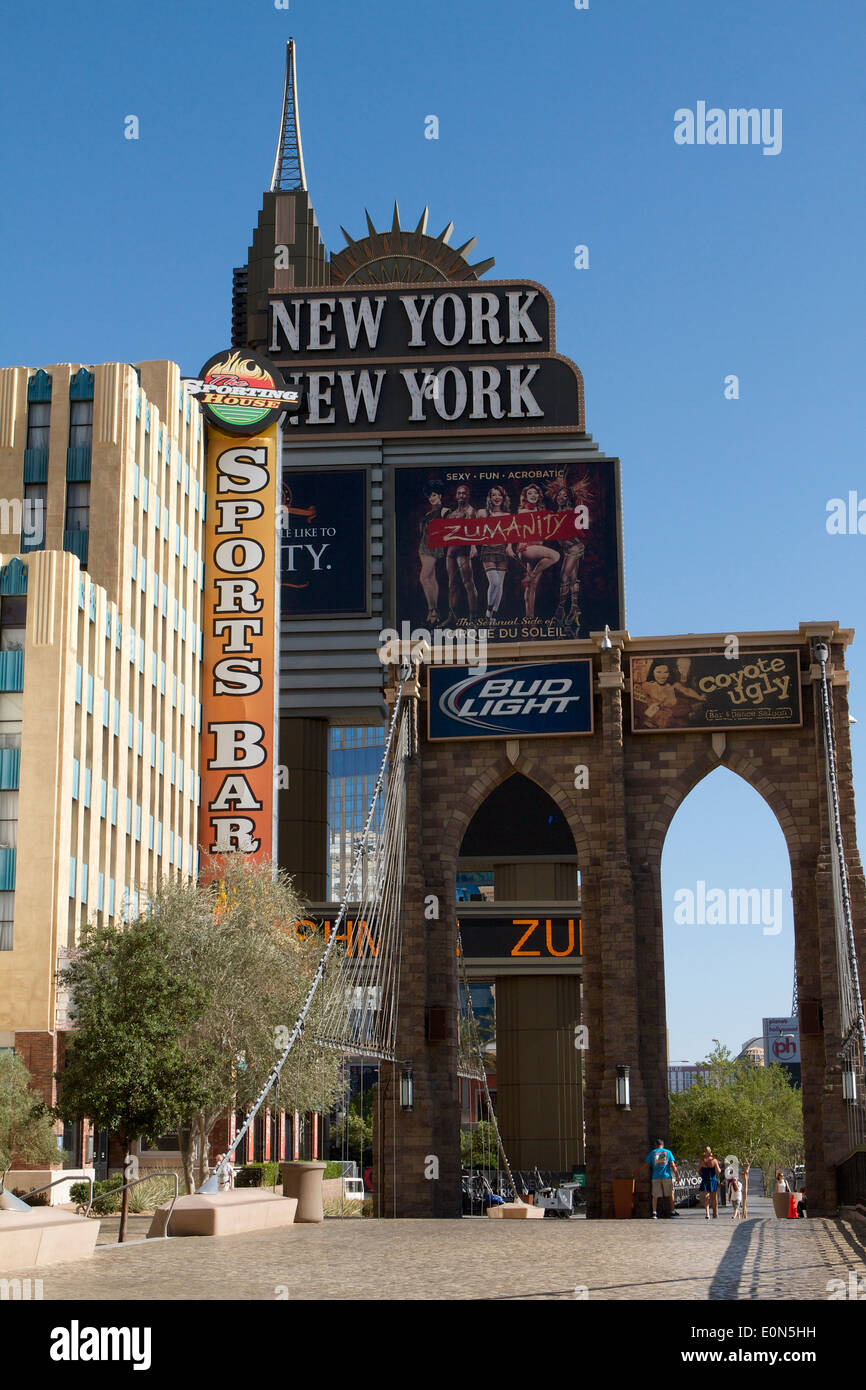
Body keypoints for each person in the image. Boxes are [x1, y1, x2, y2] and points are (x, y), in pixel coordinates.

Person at [442, 483, 479, 625]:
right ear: (455, 495)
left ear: (468, 495)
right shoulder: (451, 513)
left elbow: (474, 530)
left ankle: (473, 618)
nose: (461, 495)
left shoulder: (471, 511)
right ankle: (452, 617)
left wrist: (474, 547)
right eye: (459, 493)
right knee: (452, 584)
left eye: (464, 493)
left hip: (463, 550)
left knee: (468, 583)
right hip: (451, 551)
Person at [475, 484, 512, 622]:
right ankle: (489, 609)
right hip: (488, 549)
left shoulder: (507, 515)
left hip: (502, 550)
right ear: (489, 497)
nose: (497, 497)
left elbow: (511, 535)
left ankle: (493, 615)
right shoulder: (482, 513)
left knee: (500, 584)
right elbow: (473, 531)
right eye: (494, 495)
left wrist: (509, 547)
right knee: (494, 582)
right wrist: (473, 546)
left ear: (503, 498)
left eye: (499, 495)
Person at [417, 480, 446, 624]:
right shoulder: (429, 512)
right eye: (430, 496)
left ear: (440, 495)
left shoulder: (444, 511)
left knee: (424, 577)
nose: (432, 498)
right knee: (431, 578)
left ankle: (432, 610)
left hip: (433, 546)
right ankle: (435, 612)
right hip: (423, 545)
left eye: (434, 495)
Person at [645, 1138, 679, 1219]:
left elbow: (646, 1164)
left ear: (655, 1145)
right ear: (662, 1145)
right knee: (670, 1194)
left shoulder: (652, 1153)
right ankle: (672, 1211)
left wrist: (637, 1171)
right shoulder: (668, 1152)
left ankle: (654, 1212)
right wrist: (677, 1175)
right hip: (666, 1176)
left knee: (655, 1195)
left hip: (656, 1176)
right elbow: (673, 1165)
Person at [699, 1146, 722, 1219]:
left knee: (706, 1198)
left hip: (705, 1180)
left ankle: (707, 1213)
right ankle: (715, 1213)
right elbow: (718, 1171)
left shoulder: (702, 1161)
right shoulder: (714, 1160)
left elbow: (698, 1170)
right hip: (713, 1180)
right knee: (713, 1198)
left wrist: (702, 1175)